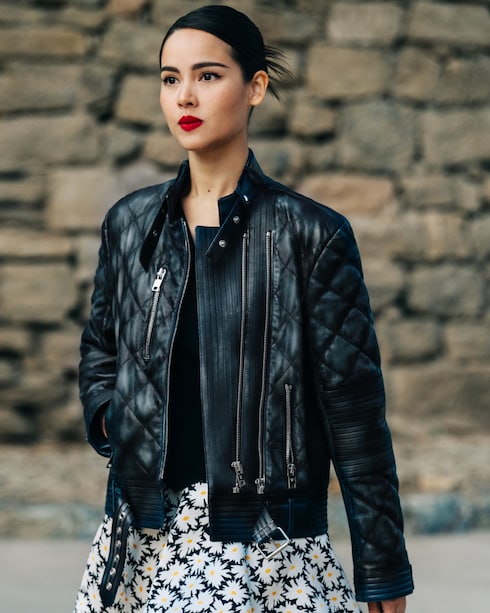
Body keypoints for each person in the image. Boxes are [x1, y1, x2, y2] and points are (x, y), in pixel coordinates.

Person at [75, 5, 413, 612]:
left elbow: (356, 414)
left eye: (208, 76)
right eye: (170, 78)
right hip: (140, 536)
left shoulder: (312, 234)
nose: (185, 95)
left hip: (264, 545)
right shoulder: (130, 224)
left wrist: (383, 568)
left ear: (255, 86)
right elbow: (101, 347)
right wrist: (111, 418)